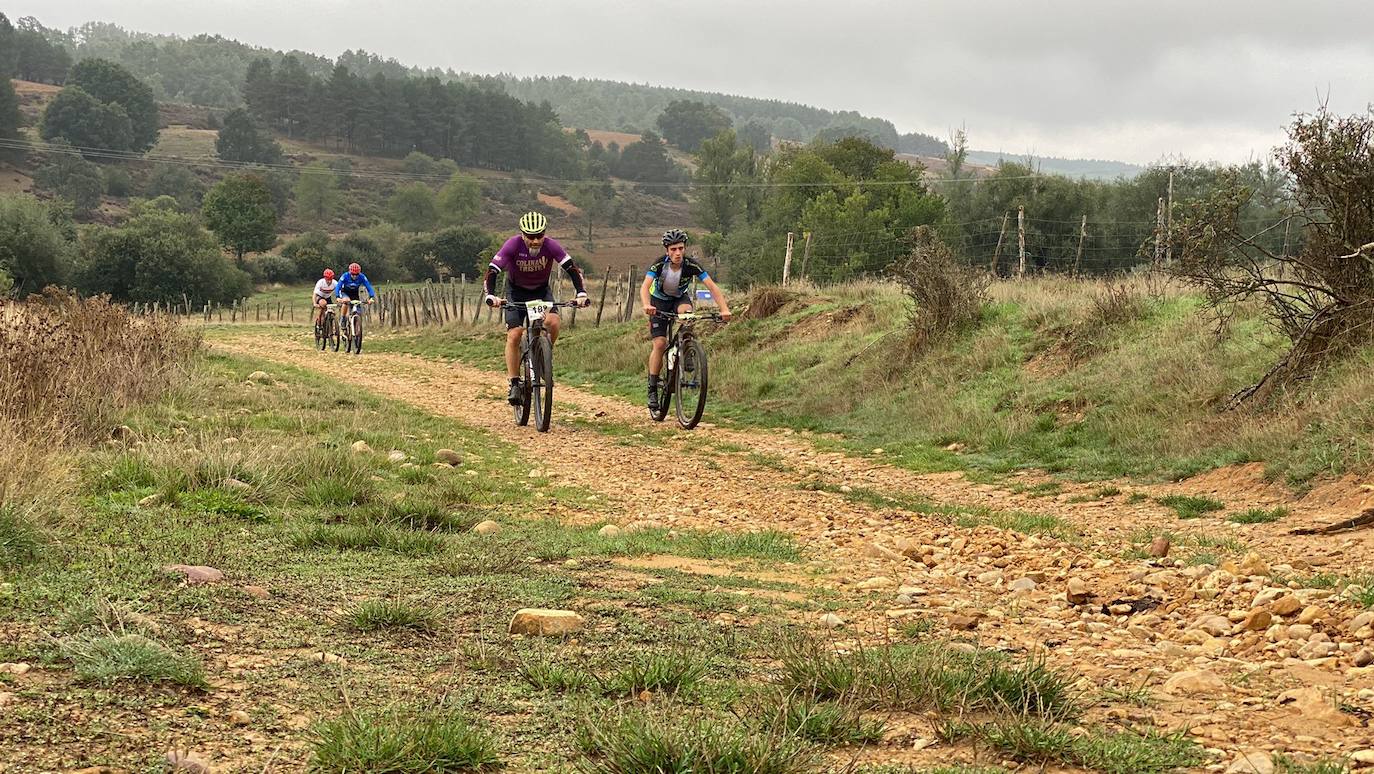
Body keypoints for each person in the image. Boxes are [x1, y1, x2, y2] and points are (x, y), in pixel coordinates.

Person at [484, 211, 590, 405]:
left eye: (539, 236)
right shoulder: (513, 245)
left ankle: (543, 357)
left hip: (540, 293)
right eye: (530, 236)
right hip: (515, 293)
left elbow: (572, 269)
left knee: (553, 322)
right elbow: (492, 271)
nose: (535, 241)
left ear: (544, 234)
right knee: (515, 335)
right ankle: (514, 382)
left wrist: (581, 293)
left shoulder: (550, 246)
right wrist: (490, 295)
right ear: (522, 234)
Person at [641, 229, 731, 412]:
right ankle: (652, 387)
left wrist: (724, 309)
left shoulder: (691, 265)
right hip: (658, 302)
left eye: (681, 248)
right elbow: (645, 287)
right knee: (659, 344)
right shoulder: (659, 265)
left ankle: (687, 347)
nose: (677, 253)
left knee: (687, 314)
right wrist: (646, 305)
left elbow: (712, 287)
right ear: (667, 250)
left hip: (679, 299)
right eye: (673, 249)